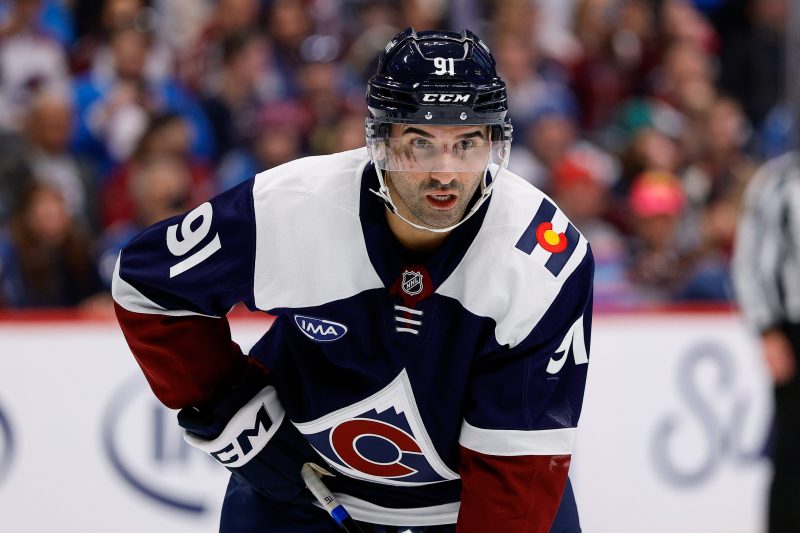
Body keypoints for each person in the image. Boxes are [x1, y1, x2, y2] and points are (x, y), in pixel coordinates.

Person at [112, 28, 593, 532]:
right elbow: (148, 284)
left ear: (494, 142)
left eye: (467, 143)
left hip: (468, 506)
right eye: (420, 143)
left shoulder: (541, 260)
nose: (446, 174)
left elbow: (515, 482)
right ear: (380, 142)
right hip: (303, 499)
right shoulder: (291, 208)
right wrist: (231, 408)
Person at [733, 150, 800, 533]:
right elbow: (750, 260)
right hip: (793, 328)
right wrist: (767, 329)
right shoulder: (779, 181)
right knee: (794, 450)